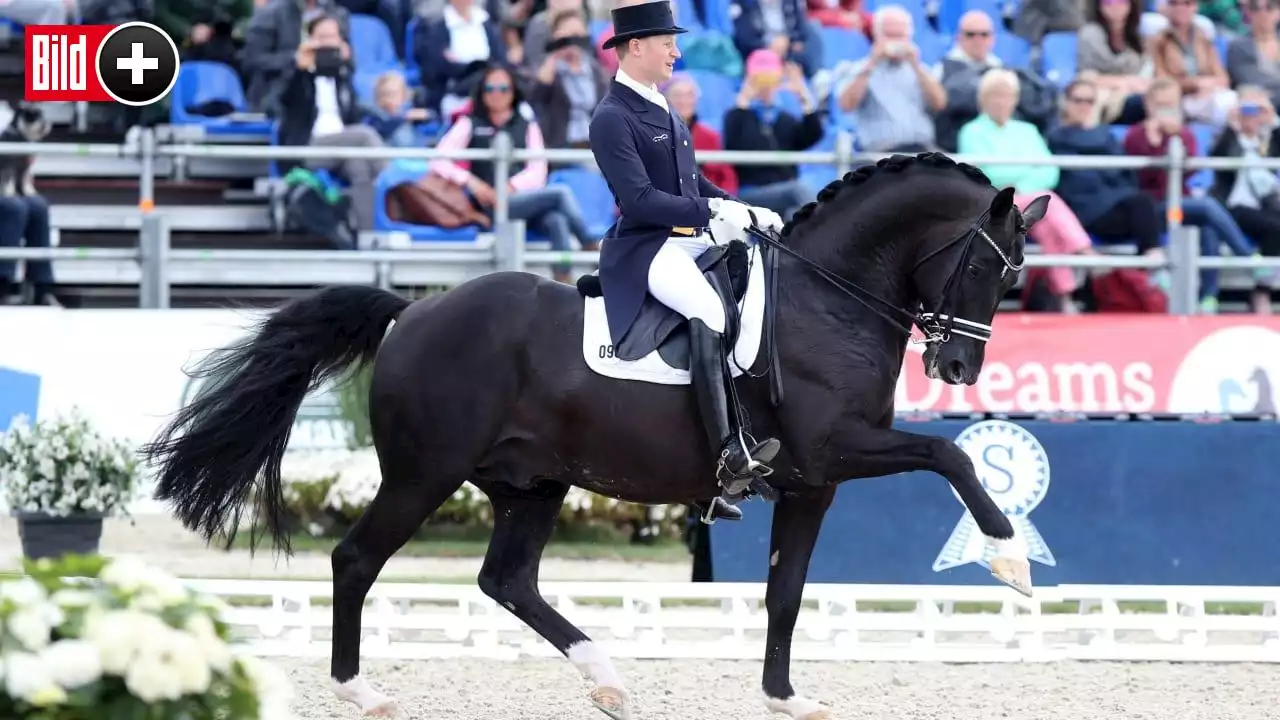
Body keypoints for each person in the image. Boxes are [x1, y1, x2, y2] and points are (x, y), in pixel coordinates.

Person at [589, 0, 783, 523]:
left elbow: (693, 185)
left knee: (757, 290)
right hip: (647, 248)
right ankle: (723, 457)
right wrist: (714, 209)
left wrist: (742, 211)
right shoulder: (612, 117)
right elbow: (641, 201)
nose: (677, 51)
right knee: (711, 313)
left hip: (688, 237)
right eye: (666, 42)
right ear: (636, 46)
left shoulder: (660, 104)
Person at [431, 63, 599, 283]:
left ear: (513, 92)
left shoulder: (527, 125)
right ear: (482, 92)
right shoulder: (469, 123)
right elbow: (438, 159)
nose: (497, 95)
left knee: (556, 220)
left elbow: (538, 170)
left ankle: (563, 278)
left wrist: (511, 187)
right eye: (490, 89)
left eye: (503, 89)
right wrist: (472, 183)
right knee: (559, 194)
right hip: (489, 204)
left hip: (520, 201)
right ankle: (591, 246)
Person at [957, 69, 1097, 312]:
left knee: (1047, 224)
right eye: (995, 95)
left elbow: (1049, 171)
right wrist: (1022, 177)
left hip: (1024, 200)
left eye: (1007, 95)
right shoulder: (972, 131)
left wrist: (1018, 183)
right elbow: (985, 173)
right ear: (983, 99)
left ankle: (1065, 298)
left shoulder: (1027, 130)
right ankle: (1083, 250)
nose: (1001, 101)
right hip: (994, 202)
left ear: (1015, 99)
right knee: (1047, 202)